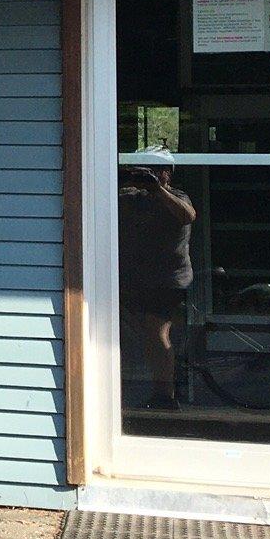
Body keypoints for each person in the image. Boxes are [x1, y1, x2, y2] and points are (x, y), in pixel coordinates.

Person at [118, 156, 197, 409]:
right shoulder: (132, 196)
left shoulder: (176, 196)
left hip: (169, 280)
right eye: (148, 170)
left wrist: (158, 189)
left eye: (159, 171)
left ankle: (165, 396)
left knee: (156, 332)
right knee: (133, 333)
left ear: (168, 174)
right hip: (135, 278)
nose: (153, 174)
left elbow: (188, 215)